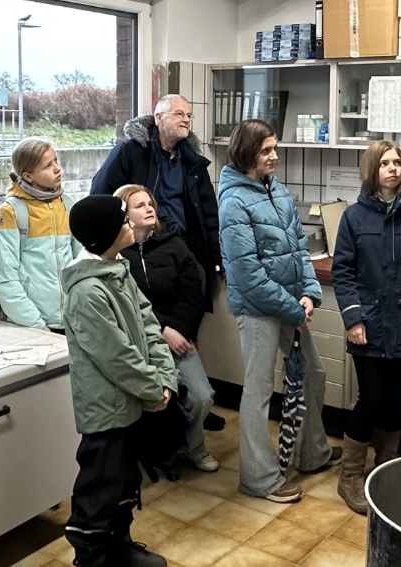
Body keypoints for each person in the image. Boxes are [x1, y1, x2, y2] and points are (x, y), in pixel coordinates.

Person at [218, 119, 341, 504]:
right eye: (267, 150)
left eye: (275, 148)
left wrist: (309, 295)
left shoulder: (278, 191)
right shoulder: (234, 200)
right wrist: (293, 309)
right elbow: (248, 275)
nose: (275, 156)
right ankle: (258, 477)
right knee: (257, 392)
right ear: (246, 153)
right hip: (258, 310)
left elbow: (300, 250)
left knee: (313, 374)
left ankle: (311, 453)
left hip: (289, 305)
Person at [61, 195, 178, 567]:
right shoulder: (86, 292)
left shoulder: (117, 269)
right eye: (124, 221)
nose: (131, 224)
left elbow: (149, 326)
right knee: (99, 488)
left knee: (126, 481)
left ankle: (119, 547)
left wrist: (164, 380)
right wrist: (151, 388)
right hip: (107, 410)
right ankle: (91, 557)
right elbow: (118, 357)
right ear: (106, 234)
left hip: (132, 402)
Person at [330, 141, 401, 515]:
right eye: (385, 163)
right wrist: (353, 318)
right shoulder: (353, 218)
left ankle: (385, 468)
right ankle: (349, 477)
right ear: (371, 170)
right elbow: (342, 274)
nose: (393, 169)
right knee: (372, 397)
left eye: (397, 162)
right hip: (367, 324)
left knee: (395, 397)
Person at [113, 184, 217, 474]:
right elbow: (128, 302)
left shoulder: (172, 243)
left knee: (201, 395)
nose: (148, 209)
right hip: (137, 340)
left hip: (177, 336)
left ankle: (192, 446)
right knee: (145, 398)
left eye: (150, 204)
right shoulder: (116, 253)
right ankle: (149, 451)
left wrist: (177, 330)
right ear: (124, 214)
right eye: (139, 205)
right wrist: (161, 330)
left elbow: (193, 293)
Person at [90, 95, 221, 302]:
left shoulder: (193, 162)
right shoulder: (131, 152)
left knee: (188, 307)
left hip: (184, 246)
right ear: (158, 117)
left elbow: (209, 213)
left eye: (189, 115)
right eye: (179, 114)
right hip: (141, 247)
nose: (186, 119)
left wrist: (216, 257)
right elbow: (100, 196)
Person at [0, 137, 81, 332]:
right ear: (28, 176)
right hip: (34, 325)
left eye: (56, 161)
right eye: (47, 166)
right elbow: (5, 279)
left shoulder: (67, 204)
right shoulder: (11, 212)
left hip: (73, 321)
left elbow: (82, 262)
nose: (57, 169)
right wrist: (36, 324)